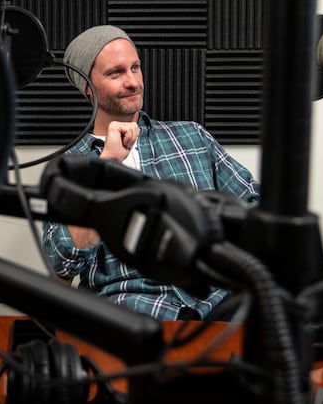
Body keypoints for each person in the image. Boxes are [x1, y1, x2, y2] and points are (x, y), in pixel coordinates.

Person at [42, 25, 260, 320]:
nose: (133, 82)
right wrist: (106, 167)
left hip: (216, 307)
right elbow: (61, 262)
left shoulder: (191, 137)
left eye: (135, 67)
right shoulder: (69, 166)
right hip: (130, 312)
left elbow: (255, 207)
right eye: (116, 73)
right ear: (87, 88)